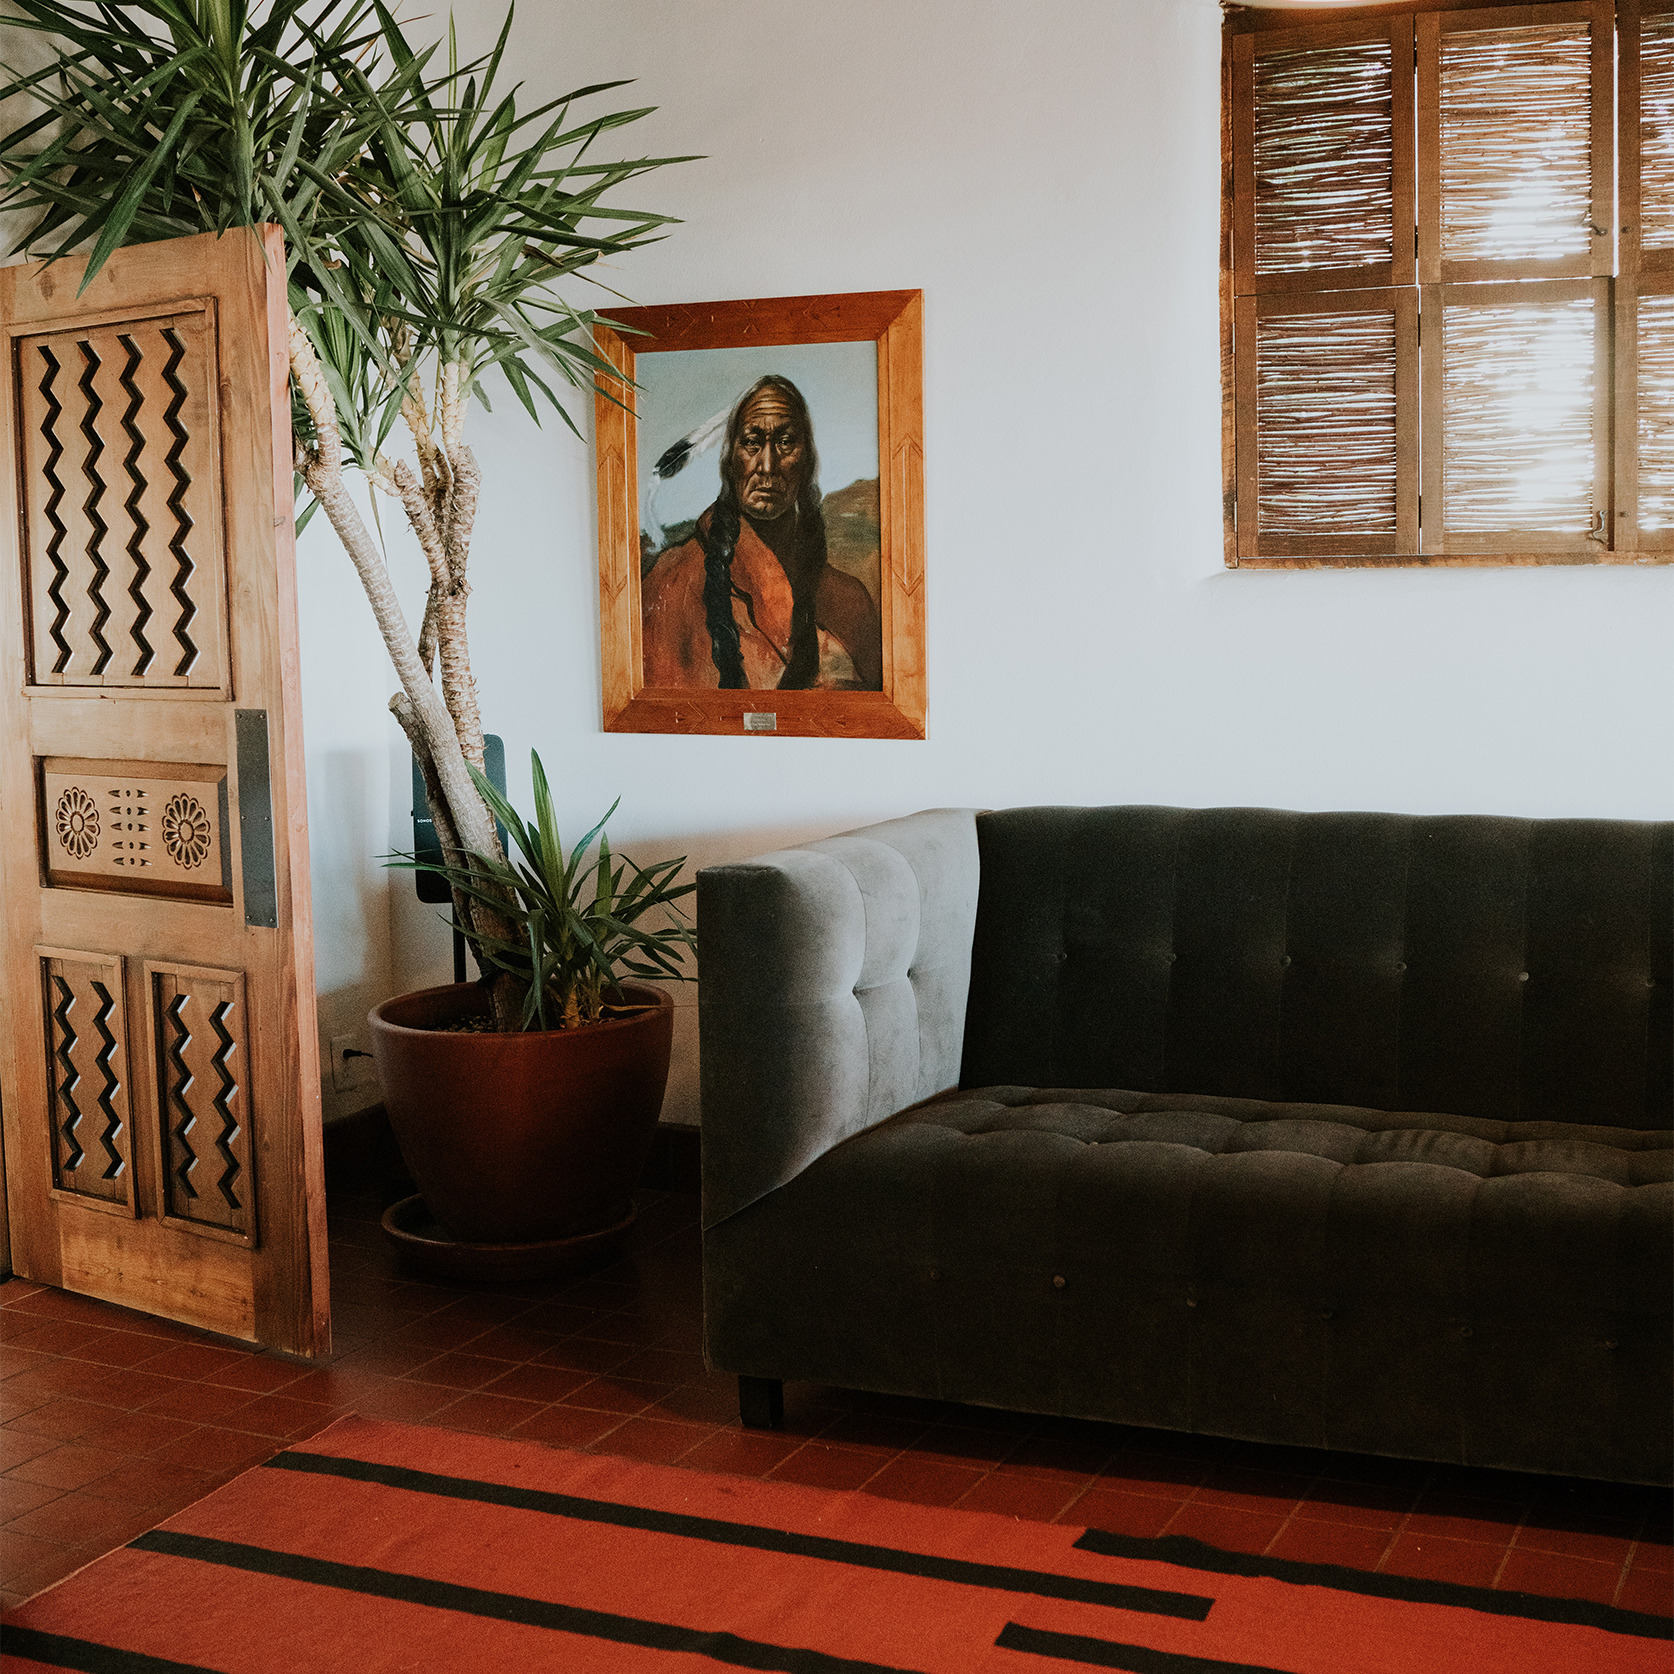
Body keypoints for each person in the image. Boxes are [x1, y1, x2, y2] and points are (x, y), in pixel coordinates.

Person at [641, 375, 883, 690]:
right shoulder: (671, 582)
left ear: (807, 462)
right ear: (729, 462)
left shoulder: (847, 601)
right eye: (752, 442)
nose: (767, 465)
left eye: (785, 442)